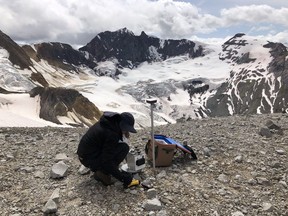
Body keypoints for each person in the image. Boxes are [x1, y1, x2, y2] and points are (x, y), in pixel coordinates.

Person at [77, 111, 140, 188]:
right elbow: (106, 160)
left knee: (122, 147)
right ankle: (103, 173)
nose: (126, 131)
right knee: (123, 149)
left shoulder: (109, 123)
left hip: (85, 155)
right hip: (88, 159)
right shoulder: (111, 133)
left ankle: (104, 169)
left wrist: (122, 133)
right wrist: (124, 178)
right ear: (121, 125)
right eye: (125, 129)